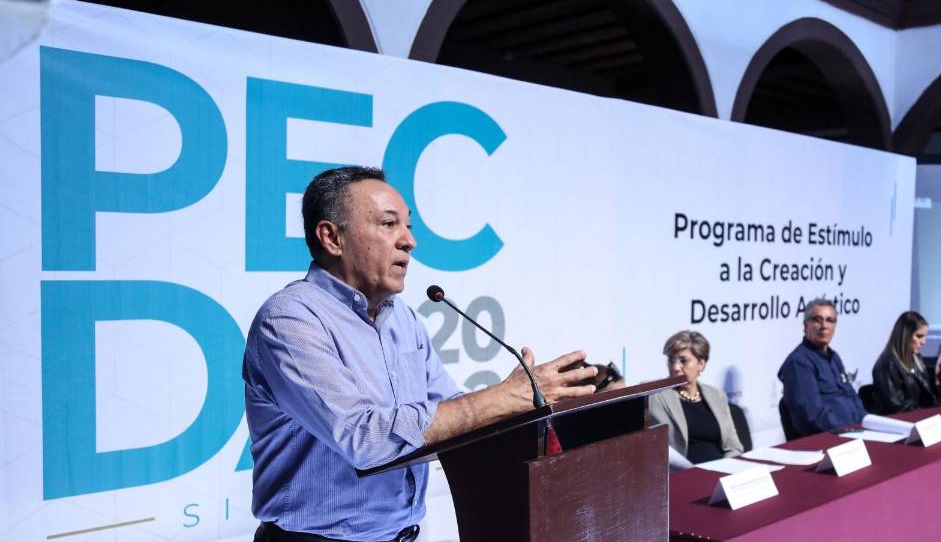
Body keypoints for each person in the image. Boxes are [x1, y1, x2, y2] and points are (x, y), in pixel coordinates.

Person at [242, 166, 598, 542]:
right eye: (388, 224)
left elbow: (452, 418)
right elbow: (364, 439)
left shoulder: (403, 319)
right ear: (332, 237)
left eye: (408, 226)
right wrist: (502, 398)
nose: (409, 241)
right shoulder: (290, 320)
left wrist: (535, 408)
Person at [648, 331, 743, 467]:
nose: (675, 367)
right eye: (671, 360)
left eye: (683, 360)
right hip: (681, 474)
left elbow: (733, 445)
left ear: (701, 363)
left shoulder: (717, 396)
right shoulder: (654, 395)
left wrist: (726, 469)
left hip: (721, 470)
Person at [778, 299, 866, 439]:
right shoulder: (799, 363)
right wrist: (848, 432)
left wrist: (867, 425)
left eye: (830, 320)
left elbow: (852, 398)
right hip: (830, 439)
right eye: (817, 320)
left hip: (855, 433)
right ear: (805, 325)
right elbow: (812, 417)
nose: (824, 326)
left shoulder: (834, 357)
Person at [871, 311, 939, 415]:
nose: (923, 342)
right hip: (900, 421)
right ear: (905, 335)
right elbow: (897, 406)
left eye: (925, 336)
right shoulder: (887, 364)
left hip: (918, 416)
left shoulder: (916, 359)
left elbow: (928, 398)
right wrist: (926, 413)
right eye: (919, 336)